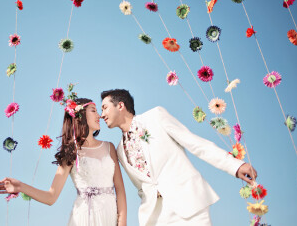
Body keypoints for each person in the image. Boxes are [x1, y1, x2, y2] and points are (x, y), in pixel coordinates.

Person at [100, 89, 258, 226]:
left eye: (105, 108)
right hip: (155, 217)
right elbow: (142, 186)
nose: (102, 115)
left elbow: (194, 143)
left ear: (120, 105)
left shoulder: (155, 116)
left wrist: (235, 166)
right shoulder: (120, 150)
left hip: (188, 204)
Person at [0, 98, 127, 226]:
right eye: (94, 111)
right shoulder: (71, 153)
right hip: (84, 217)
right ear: (80, 116)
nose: (100, 116)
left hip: (109, 215)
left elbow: (120, 189)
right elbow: (51, 197)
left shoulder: (109, 147)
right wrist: (20, 186)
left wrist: (122, 223)